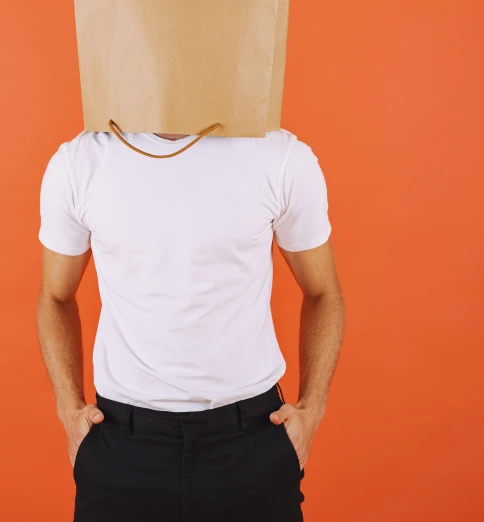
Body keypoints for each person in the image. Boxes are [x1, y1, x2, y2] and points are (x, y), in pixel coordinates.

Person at [37, 126, 345, 522]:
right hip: (123, 445)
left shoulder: (277, 155)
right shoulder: (81, 162)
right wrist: (68, 408)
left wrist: (312, 408)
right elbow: (54, 296)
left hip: (251, 440)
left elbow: (324, 292)